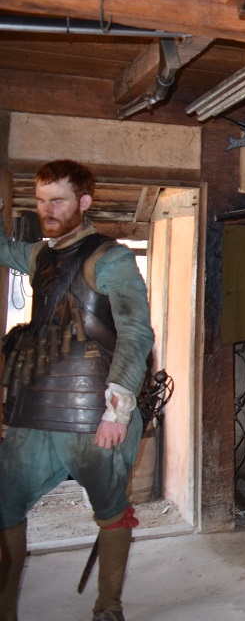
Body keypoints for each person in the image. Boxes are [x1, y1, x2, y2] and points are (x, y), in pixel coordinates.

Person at [0, 160, 155, 621]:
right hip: (34, 410)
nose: (47, 210)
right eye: (41, 201)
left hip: (93, 414)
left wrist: (117, 410)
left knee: (110, 511)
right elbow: (4, 249)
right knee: (4, 506)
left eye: (58, 200)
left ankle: (108, 607)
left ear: (83, 202)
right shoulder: (39, 257)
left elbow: (135, 333)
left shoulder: (111, 258)